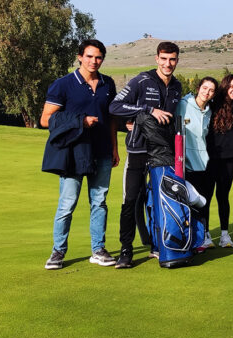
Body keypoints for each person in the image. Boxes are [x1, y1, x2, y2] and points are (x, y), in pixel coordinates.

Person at [41, 39, 118, 270]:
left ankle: (98, 250)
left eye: (98, 57)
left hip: (102, 151)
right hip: (73, 153)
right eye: (89, 56)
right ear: (80, 57)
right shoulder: (63, 84)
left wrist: (114, 148)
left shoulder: (108, 84)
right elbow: (46, 119)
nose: (94, 61)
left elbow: (112, 119)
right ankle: (58, 252)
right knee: (67, 204)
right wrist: (80, 122)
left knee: (99, 202)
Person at [109, 43, 183, 263]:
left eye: (172, 59)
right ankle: (125, 250)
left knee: (160, 199)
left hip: (163, 153)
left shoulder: (177, 86)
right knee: (131, 200)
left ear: (177, 60)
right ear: (156, 59)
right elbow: (115, 106)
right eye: (164, 59)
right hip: (138, 150)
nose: (167, 63)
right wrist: (147, 110)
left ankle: (157, 243)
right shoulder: (141, 81)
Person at [206, 74, 233, 247]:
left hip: (228, 160)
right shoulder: (213, 105)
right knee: (206, 198)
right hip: (209, 160)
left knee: (223, 197)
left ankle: (225, 235)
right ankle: (206, 235)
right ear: (225, 86)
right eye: (232, 86)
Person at [178, 77, 218, 251]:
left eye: (211, 90)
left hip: (204, 165)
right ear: (198, 88)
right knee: (188, 205)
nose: (207, 92)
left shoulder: (209, 111)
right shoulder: (183, 104)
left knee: (203, 203)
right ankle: (187, 240)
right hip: (185, 165)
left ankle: (201, 238)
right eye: (204, 88)